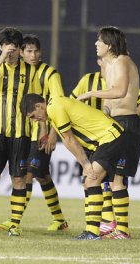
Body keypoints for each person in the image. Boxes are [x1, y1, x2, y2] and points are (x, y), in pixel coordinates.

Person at [21, 93, 125, 240]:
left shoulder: (54, 107)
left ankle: (94, 231)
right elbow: (67, 141)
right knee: (88, 181)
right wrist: (84, 163)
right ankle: (93, 229)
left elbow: (70, 138)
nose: (34, 120)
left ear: (39, 106)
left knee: (91, 180)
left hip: (111, 136)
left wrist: (86, 163)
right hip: (106, 139)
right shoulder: (53, 111)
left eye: (33, 116)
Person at [0, 34, 68, 232]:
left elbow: (58, 104)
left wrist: (53, 133)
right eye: (28, 51)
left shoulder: (50, 74)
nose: (33, 55)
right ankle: (60, 220)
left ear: (41, 52)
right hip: (23, 133)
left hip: (41, 135)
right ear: (20, 52)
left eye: (36, 51)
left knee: (27, 175)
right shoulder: (18, 72)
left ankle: (14, 220)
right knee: (42, 175)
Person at [71, 58, 140, 236]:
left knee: (107, 179)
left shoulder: (121, 75)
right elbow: (77, 100)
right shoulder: (89, 79)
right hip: (101, 132)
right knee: (103, 179)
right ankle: (109, 224)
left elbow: (138, 100)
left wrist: (130, 116)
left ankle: (113, 227)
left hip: (121, 127)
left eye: (100, 44)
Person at [0, 27, 41, 237]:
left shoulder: (30, 71)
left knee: (19, 179)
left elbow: (38, 102)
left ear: (20, 49)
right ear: (1, 47)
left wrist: (44, 129)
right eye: (5, 48)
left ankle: (15, 224)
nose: (10, 52)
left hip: (21, 134)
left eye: (13, 49)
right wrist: (1, 58)